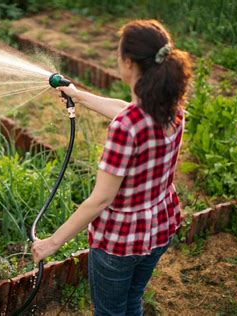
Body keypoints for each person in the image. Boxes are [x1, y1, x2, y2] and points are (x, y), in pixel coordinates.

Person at [31, 19, 192, 315]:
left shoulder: (125, 129)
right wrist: (78, 96)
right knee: (132, 302)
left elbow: (101, 200)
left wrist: (51, 244)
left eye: (118, 55)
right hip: (159, 228)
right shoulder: (172, 109)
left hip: (121, 243)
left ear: (129, 63)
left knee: (110, 312)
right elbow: (126, 109)